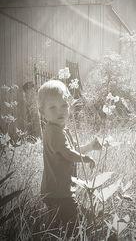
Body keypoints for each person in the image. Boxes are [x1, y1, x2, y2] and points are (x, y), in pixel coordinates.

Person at [37, 79, 101, 236]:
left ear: (69, 106)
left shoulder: (59, 130)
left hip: (57, 189)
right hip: (59, 191)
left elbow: (72, 151)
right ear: (42, 112)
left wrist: (89, 147)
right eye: (53, 107)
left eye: (64, 105)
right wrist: (86, 158)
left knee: (63, 224)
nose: (60, 111)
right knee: (73, 224)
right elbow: (69, 154)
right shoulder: (54, 132)